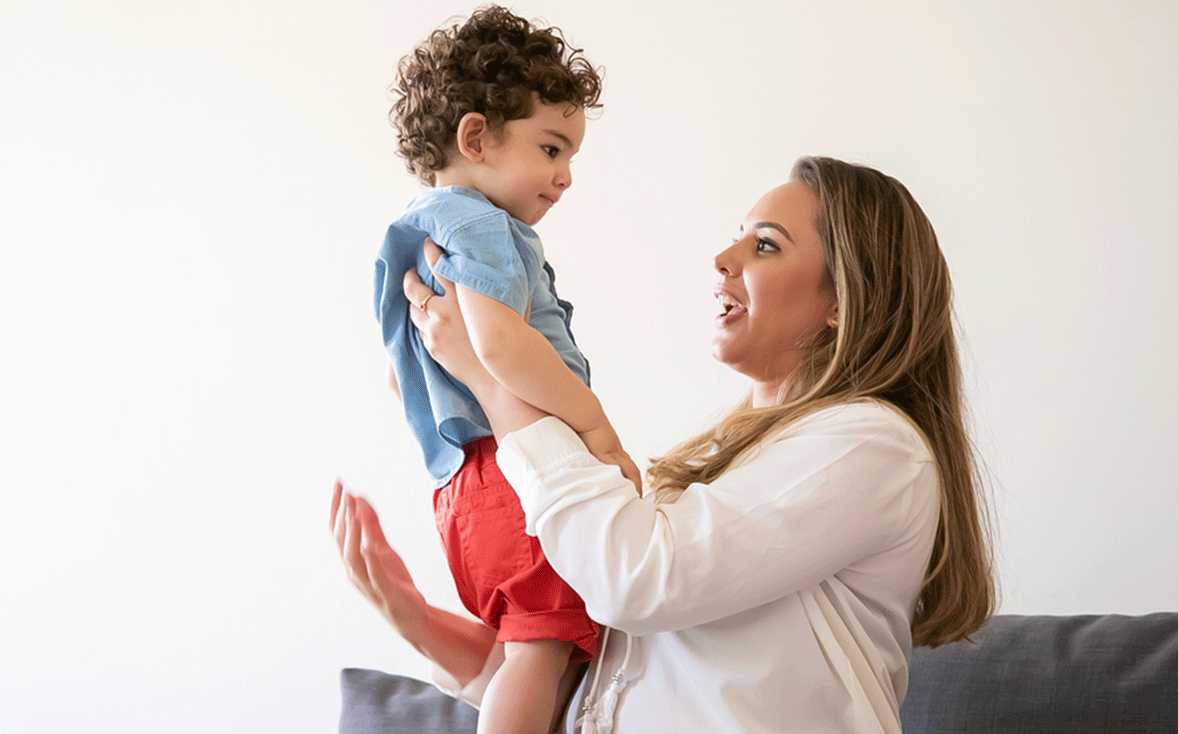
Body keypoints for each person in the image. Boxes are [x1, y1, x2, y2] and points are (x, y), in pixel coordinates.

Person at [336, 155, 996, 733]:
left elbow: (635, 580)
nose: (724, 259)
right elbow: (567, 697)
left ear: (845, 297)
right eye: (737, 238)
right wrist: (414, 618)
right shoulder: (713, 481)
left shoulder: (871, 448)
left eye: (764, 246)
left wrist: (490, 379)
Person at [372, 6, 637, 733]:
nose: (566, 176)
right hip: (516, 481)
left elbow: (403, 379)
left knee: (534, 650)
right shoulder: (484, 226)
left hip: (460, 490)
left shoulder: (417, 228)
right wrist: (596, 427)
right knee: (539, 652)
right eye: (553, 149)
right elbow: (495, 345)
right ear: (476, 138)